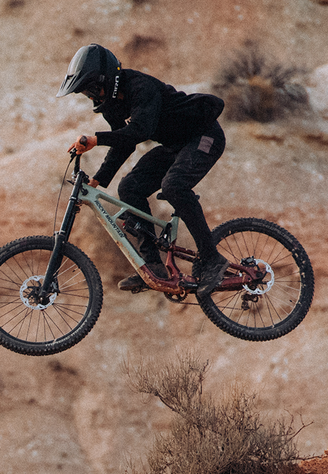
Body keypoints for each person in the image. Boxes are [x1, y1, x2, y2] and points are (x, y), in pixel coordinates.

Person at [57, 44, 228, 293]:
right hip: (176, 145)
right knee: (130, 188)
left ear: (107, 78)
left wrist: (96, 139)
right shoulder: (113, 105)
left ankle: (212, 259)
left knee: (174, 186)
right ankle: (153, 267)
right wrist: (98, 180)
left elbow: (141, 131)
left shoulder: (140, 86)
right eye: (86, 93)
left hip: (204, 135)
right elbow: (124, 142)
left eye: (92, 88)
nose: (92, 97)